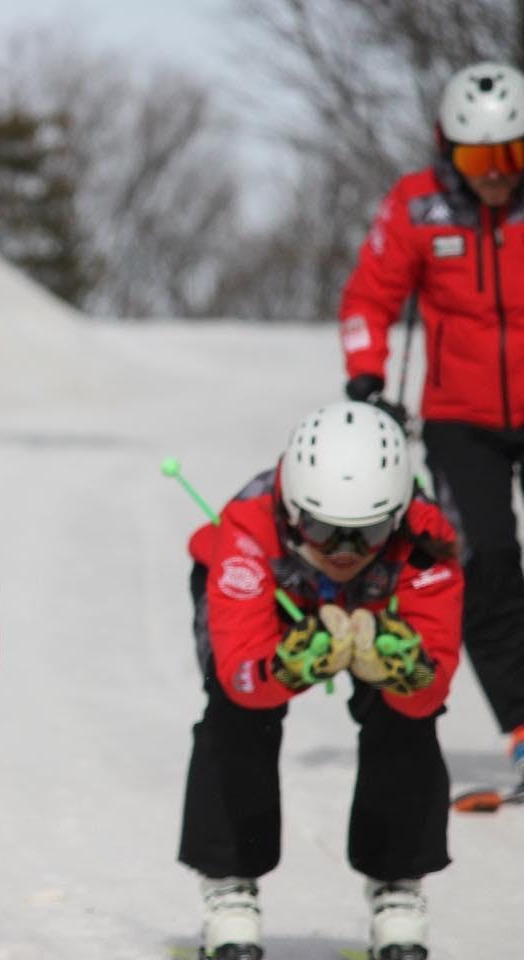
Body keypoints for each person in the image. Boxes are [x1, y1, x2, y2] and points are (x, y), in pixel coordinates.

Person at [179, 401, 462, 960]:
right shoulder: (247, 525)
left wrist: (406, 672)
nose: (343, 553)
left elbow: (436, 680)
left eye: (368, 531)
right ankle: (230, 882)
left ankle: (397, 883)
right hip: (273, 599)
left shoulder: (428, 541)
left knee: (408, 714)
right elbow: (241, 675)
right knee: (236, 714)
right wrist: (288, 666)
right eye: (322, 528)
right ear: (290, 510)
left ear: (399, 516)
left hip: (383, 605)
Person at [338, 60, 524, 778]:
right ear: (449, 149)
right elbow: (368, 299)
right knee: (484, 561)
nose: (498, 175)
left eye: (513, 154)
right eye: (481, 158)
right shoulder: (418, 206)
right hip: (459, 417)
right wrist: (366, 372)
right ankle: (519, 724)